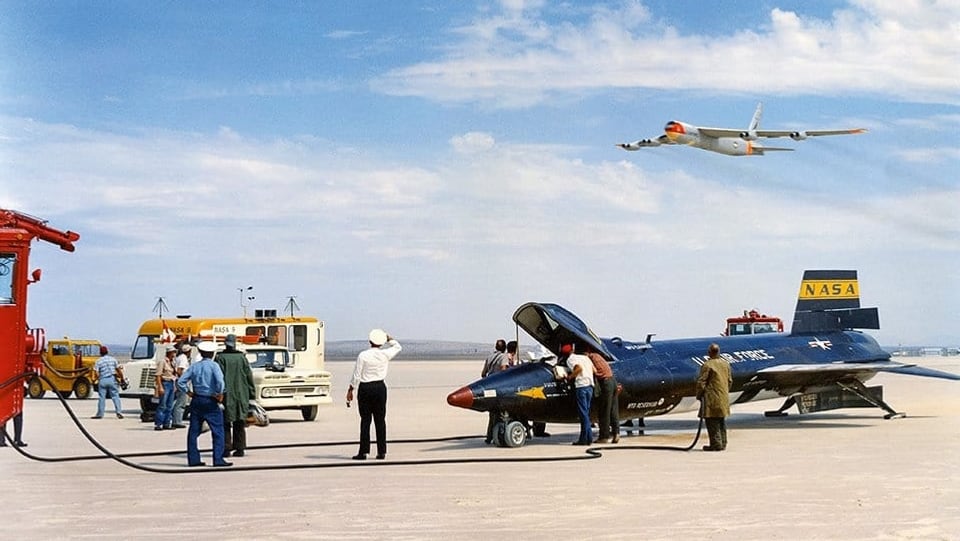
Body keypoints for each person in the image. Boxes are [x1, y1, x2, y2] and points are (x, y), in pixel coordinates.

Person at [346, 329, 401, 460]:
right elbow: (398, 346)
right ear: (381, 343)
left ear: (370, 341)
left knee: (365, 421)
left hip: (365, 389)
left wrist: (351, 389)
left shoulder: (363, 355)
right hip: (380, 388)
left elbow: (357, 375)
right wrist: (389, 338)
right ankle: (381, 452)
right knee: (380, 420)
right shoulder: (385, 354)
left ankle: (363, 452)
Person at [177, 341, 231, 467]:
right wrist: (219, 393)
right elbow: (220, 382)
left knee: (193, 431)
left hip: (197, 399)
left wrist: (189, 393)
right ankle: (218, 459)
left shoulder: (195, 366)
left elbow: (181, 381)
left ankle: (193, 459)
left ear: (200, 353)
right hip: (210, 399)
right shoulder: (214, 366)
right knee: (217, 430)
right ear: (212, 354)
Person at [215, 334, 256, 457]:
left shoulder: (220, 358)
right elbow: (249, 376)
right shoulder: (242, 358)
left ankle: (226, 449)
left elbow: (217, 377)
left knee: (225, 423)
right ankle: (240, 448)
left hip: (226, 395)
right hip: (241, 394)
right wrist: (252, 393)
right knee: (239, 422)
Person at [696, 343, 732, 451]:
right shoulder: (725, 364)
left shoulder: (707, 365)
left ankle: (716, 444)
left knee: (712, 421)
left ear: (709, 353)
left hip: (711, 397)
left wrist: (699, 395)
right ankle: (723, 443)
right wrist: (724, 392)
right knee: (721, 421)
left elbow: (701, 382)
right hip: (723, 397)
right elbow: (730, 381)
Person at [563, 343, 594, 445]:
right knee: (586, 413)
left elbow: (579, 368)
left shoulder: (570, 360)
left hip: (581, 386)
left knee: (583, 414)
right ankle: (589, 438)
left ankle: (583, 439)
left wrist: (570, 377)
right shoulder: (585, 358)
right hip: (590, 386)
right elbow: (594, 370)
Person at [586, 347, 619, 444]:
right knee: (613, 409)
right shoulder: (599, 356)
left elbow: (592, 371)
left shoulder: (590, 359)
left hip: (605, 383)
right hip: (612, 381)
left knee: (604, 410)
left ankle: (604, 437)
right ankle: (616, 433)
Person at [481, 339, 509, 444]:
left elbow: (483, 374)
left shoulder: (489, 357)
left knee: (492, 413)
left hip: (490, 387)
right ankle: (499, 435)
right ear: (504, 348)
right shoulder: (503, 357)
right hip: (499, 387)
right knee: (500, 413)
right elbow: (503, 370)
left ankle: (489, 436)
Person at [91, 345, 124, 419]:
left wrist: (95, 379)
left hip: (102, 380)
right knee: (115, 396)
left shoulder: (98, 361)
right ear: (107, 352)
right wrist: (122, 379)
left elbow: (96, 372)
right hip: (112, 379)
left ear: (100, 353)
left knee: (101, 398)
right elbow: (118, 370)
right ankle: (119, 412)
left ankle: (100, 414)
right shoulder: (113, 359)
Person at [153, 345, 178, 430]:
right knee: (162, 405)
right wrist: (160, 387)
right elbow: (158, 375)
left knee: (169, 405)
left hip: (171, 383)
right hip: (165, 383)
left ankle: (167, 423)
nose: (174, 354)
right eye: (173, 352)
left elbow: (173, 375)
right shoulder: (162, 362)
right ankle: (159, 423)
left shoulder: (172, 362)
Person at [170, 343, 192, 429]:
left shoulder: (179, 357)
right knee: (181, 402)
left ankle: (171, 418)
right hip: (182, 383)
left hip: (178, 382)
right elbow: (180, 370)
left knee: (175, 401)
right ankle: (177, 421)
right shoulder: (183, 359)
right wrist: (183, 380)